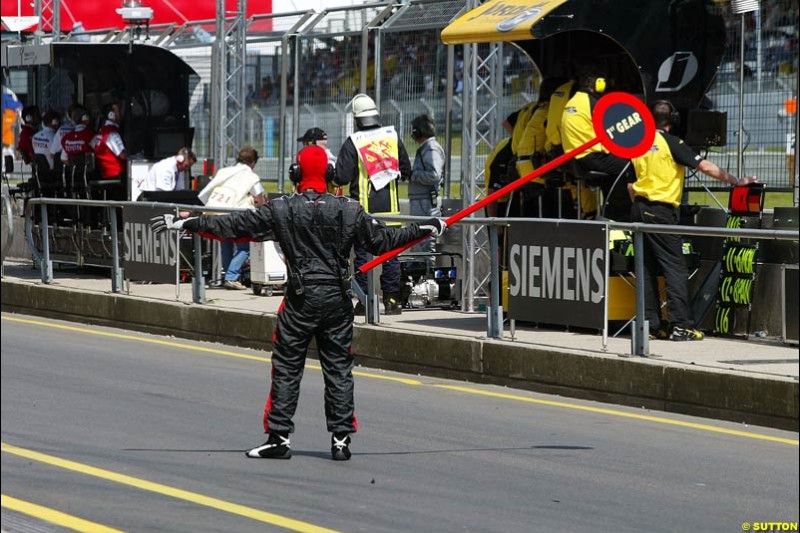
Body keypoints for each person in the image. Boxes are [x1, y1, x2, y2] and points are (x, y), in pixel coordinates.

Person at [151, 144, 446, 460]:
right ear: (331, 175)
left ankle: (278, 437)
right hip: (337, 300)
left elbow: (234, 227)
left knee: (287, 367)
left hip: (300, 301)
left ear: (296, 174)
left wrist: (189, 222)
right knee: (339, 369)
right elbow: (383, 241)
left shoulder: (281, 208)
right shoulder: (349, 208)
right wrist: (424, 228)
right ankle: (341, 440)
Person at [629, 100, 757, 342]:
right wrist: (736, 181)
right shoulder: (672, 143)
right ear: (673, 121)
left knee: (644, 269)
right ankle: (681, 326)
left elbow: (629, 185)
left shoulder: (639, 143)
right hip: (661, 211)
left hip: (639, 209)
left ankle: (651, 325)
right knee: (675, 268)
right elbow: (704, 165)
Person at [334, 93, 412, 315]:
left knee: (363, 256)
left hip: (363, 212)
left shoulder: (353, 143)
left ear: (357, 119)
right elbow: (406, 170)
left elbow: (341, 176)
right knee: (391, 256)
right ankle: (392, 302)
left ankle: (364, 302)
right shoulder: (392, 137)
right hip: (392, 211)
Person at [562, 68, 635, 220]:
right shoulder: (593, 103)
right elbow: (611, 128)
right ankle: (621, 213)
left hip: (576, 160)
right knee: (629, 166)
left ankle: (609, 209)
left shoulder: (572, 101)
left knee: (615, 168)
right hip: (592, 158)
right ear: (598, 84)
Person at [197, 146, 265, 290]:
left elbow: (207, 192)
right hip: (234, 215)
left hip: (214, 212)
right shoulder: (251, 176)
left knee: (226, 243)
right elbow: (259, 198)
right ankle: (231, 276)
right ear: (252, 163)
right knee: (245, 246)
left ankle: (228, 276)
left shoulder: (224, 171)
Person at [408, 114, 445, 266]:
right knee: (418, 242)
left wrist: (412, 175)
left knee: (426, 242)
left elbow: (435, 174)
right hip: (420, 202)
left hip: (426, 204)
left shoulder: (431, 148)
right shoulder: (425, 148)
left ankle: (429, 279)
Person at [93, 103, 127, 184]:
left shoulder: (101, 131)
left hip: (106, 172)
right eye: (118, 111)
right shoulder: (112, 133)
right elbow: (123, 155)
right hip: (116, 173)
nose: (121, 114)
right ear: (111, 115)